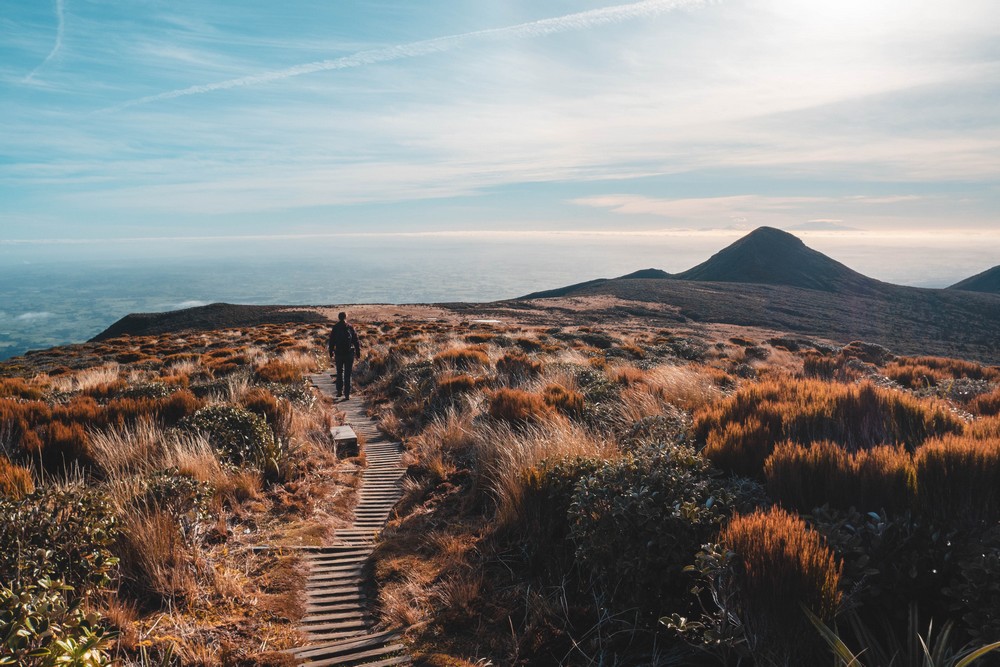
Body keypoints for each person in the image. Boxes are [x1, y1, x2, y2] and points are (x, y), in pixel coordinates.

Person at [328, 311, 361, 399]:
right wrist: (358, 353)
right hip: (349, 353)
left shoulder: (335, 327)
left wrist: (331, 352)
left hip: (338, 353)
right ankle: (347, 394)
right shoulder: (350, 327)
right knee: (348, 373)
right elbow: (356, 341)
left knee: (339, 372)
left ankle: (339, 391)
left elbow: (332, 341)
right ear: (345, 317)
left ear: (339, 317)